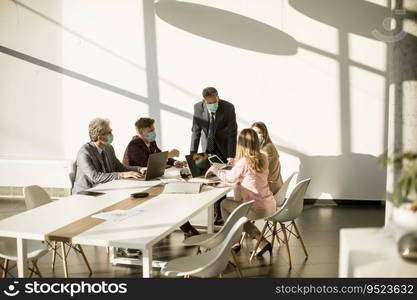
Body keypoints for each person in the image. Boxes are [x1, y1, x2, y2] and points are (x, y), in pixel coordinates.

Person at [123, 117, 198, 239]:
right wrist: (169, 154)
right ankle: (187, 229)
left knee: (172, 197)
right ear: (141, 132)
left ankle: (187, 229)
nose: (154, 132)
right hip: (136, 183)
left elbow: (159, 154)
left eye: (153, 129)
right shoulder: (134, 145)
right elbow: (148, 162)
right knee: (168, 199)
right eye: (150, 130)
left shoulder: (150, 142)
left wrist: (174, 162)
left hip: (150, 179)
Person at [205, 128, 275, 257]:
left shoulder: (244, 161)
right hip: (270, 205)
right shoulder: (263, 157)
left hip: (256, 209)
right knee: (239, 214)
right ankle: (261, 242)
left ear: (241, 143)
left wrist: (214, 169)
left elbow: (230, 178)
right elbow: (246, 177)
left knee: (225, 204)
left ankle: (234, 241)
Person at [190, 87, 238, 225]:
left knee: (222, 182)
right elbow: (196, 131)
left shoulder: (228, 107)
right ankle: (214, 213)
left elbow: (232, 132)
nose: (212, 104)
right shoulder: (198, 108)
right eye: (209, 102)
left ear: (218, 97)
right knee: (209, 181)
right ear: (204, 101)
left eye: (214, 101)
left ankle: (220, 214)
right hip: (207, 149)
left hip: (223, 149)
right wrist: (192, 154)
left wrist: (231, 155)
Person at [72, 118, 143, 195]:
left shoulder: (109, 148)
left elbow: (120, 167)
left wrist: (139, 169)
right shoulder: (84, 152)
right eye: (109, 132)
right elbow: (95, 177)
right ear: (100, 137)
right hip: (86, 193)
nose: (112, 135)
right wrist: (121, 175)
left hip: (105, 189)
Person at [251, 122, 283, 195]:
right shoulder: (267, 146)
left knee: (239, 185)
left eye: (259, 133)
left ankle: (242, 204)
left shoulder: (266, 150)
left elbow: (257, 172)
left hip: (270, 190)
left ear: (264, 134)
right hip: (275, 187)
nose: (256, 136)